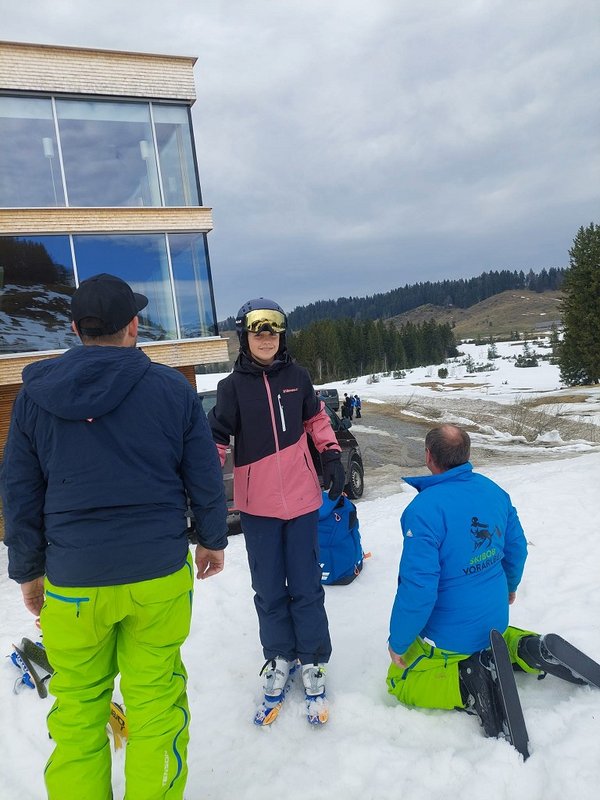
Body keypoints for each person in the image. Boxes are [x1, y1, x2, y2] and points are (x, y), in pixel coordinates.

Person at [1, 273, 228, 800]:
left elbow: (20, 492)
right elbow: (203, 475)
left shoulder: (34, 398)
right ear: (134, 326)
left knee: (78, 711)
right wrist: (212, 539)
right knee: (155, 704)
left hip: (74, 582)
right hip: (158, 578)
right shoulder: (171, 390)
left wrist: (29, 571)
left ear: (76, 329)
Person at [386, 423, 589, 738]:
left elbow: (419, 588)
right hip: (496, 618)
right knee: (497, 638)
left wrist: (398, 641)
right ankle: (527, 648)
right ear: (466, 454)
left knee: (398, 680)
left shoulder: (422, 511)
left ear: (428, 456)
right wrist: (510, 586)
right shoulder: (494, 492)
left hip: (450, 636)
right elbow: (517, 548)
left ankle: (466, 681)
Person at [207, 297, 345, 723]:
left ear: (282, 336)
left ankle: (313, 659)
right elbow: (216, 440)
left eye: (273, 332)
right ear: (244, 337)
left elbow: (316, 421)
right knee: (268, 587)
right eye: (257, 332)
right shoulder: (231, 388)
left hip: (302, 500)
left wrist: (331, 454)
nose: (266, 339)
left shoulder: (297, 378)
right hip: (258, 506)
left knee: (306, 583)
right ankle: (280, 657)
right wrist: (203, 483)